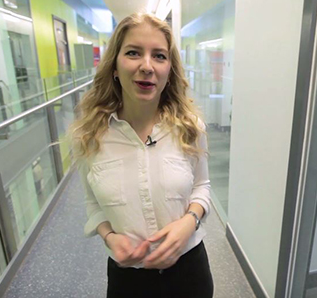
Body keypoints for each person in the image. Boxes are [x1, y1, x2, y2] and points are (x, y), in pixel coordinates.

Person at [70, 13, 214, 298]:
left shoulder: (189, 128)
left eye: (159, 56)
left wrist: (189, 222)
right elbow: (92, 202)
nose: (147, 66)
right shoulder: (89, 136)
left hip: (190, 271)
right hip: (128, 279)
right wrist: (109, 236)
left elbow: (202, 187)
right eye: (134, 53)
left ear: (169, 69)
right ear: (114, 66)